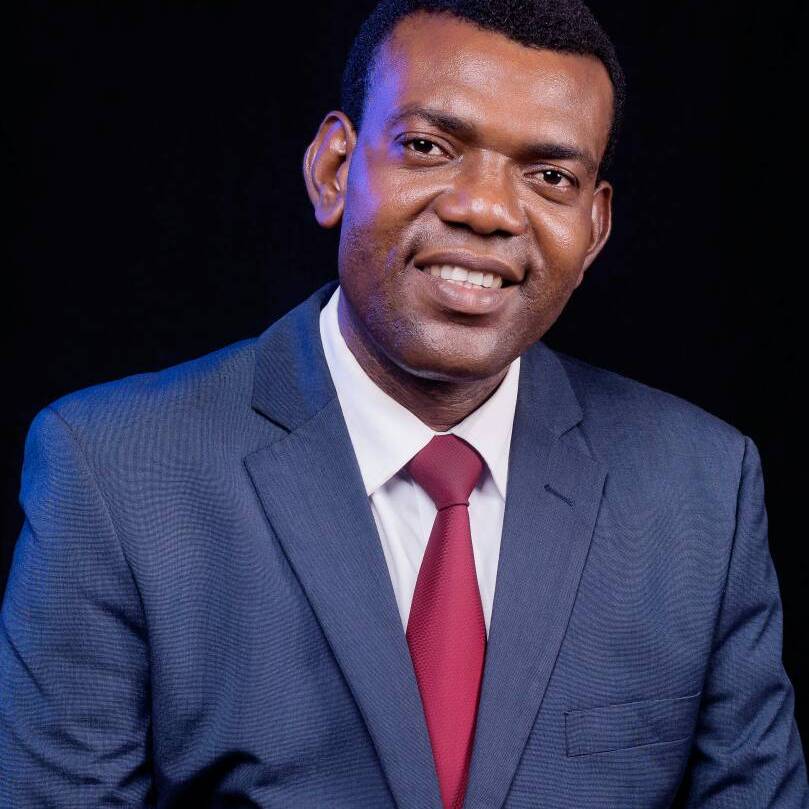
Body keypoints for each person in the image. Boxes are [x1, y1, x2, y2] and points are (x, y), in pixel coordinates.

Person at [1, 0, 806, 806]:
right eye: (428, 146)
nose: (486, 209)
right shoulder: (112, 470)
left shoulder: (702, 486)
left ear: (592, 230)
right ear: (333, 169)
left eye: (549, 176)